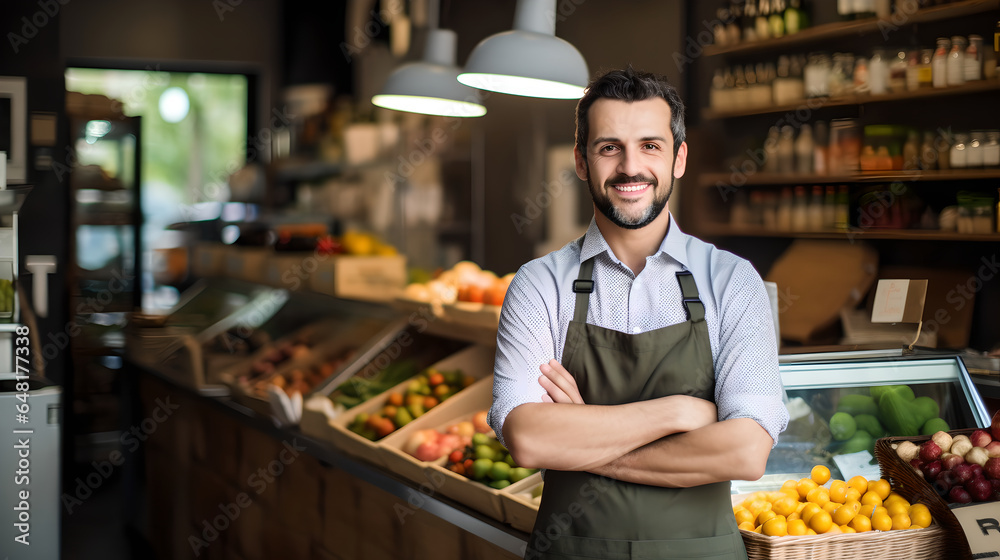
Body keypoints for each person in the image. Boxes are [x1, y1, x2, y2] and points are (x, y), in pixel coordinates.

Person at [488, 66, 789, 560]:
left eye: (650, 145)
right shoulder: (539, 284)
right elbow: (528, 438)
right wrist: (679, 412)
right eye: (609, 147)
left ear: (679, 159)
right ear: (583, 162)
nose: (631, 167)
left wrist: (583, 434)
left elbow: (745, 452)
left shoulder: (732, 281)